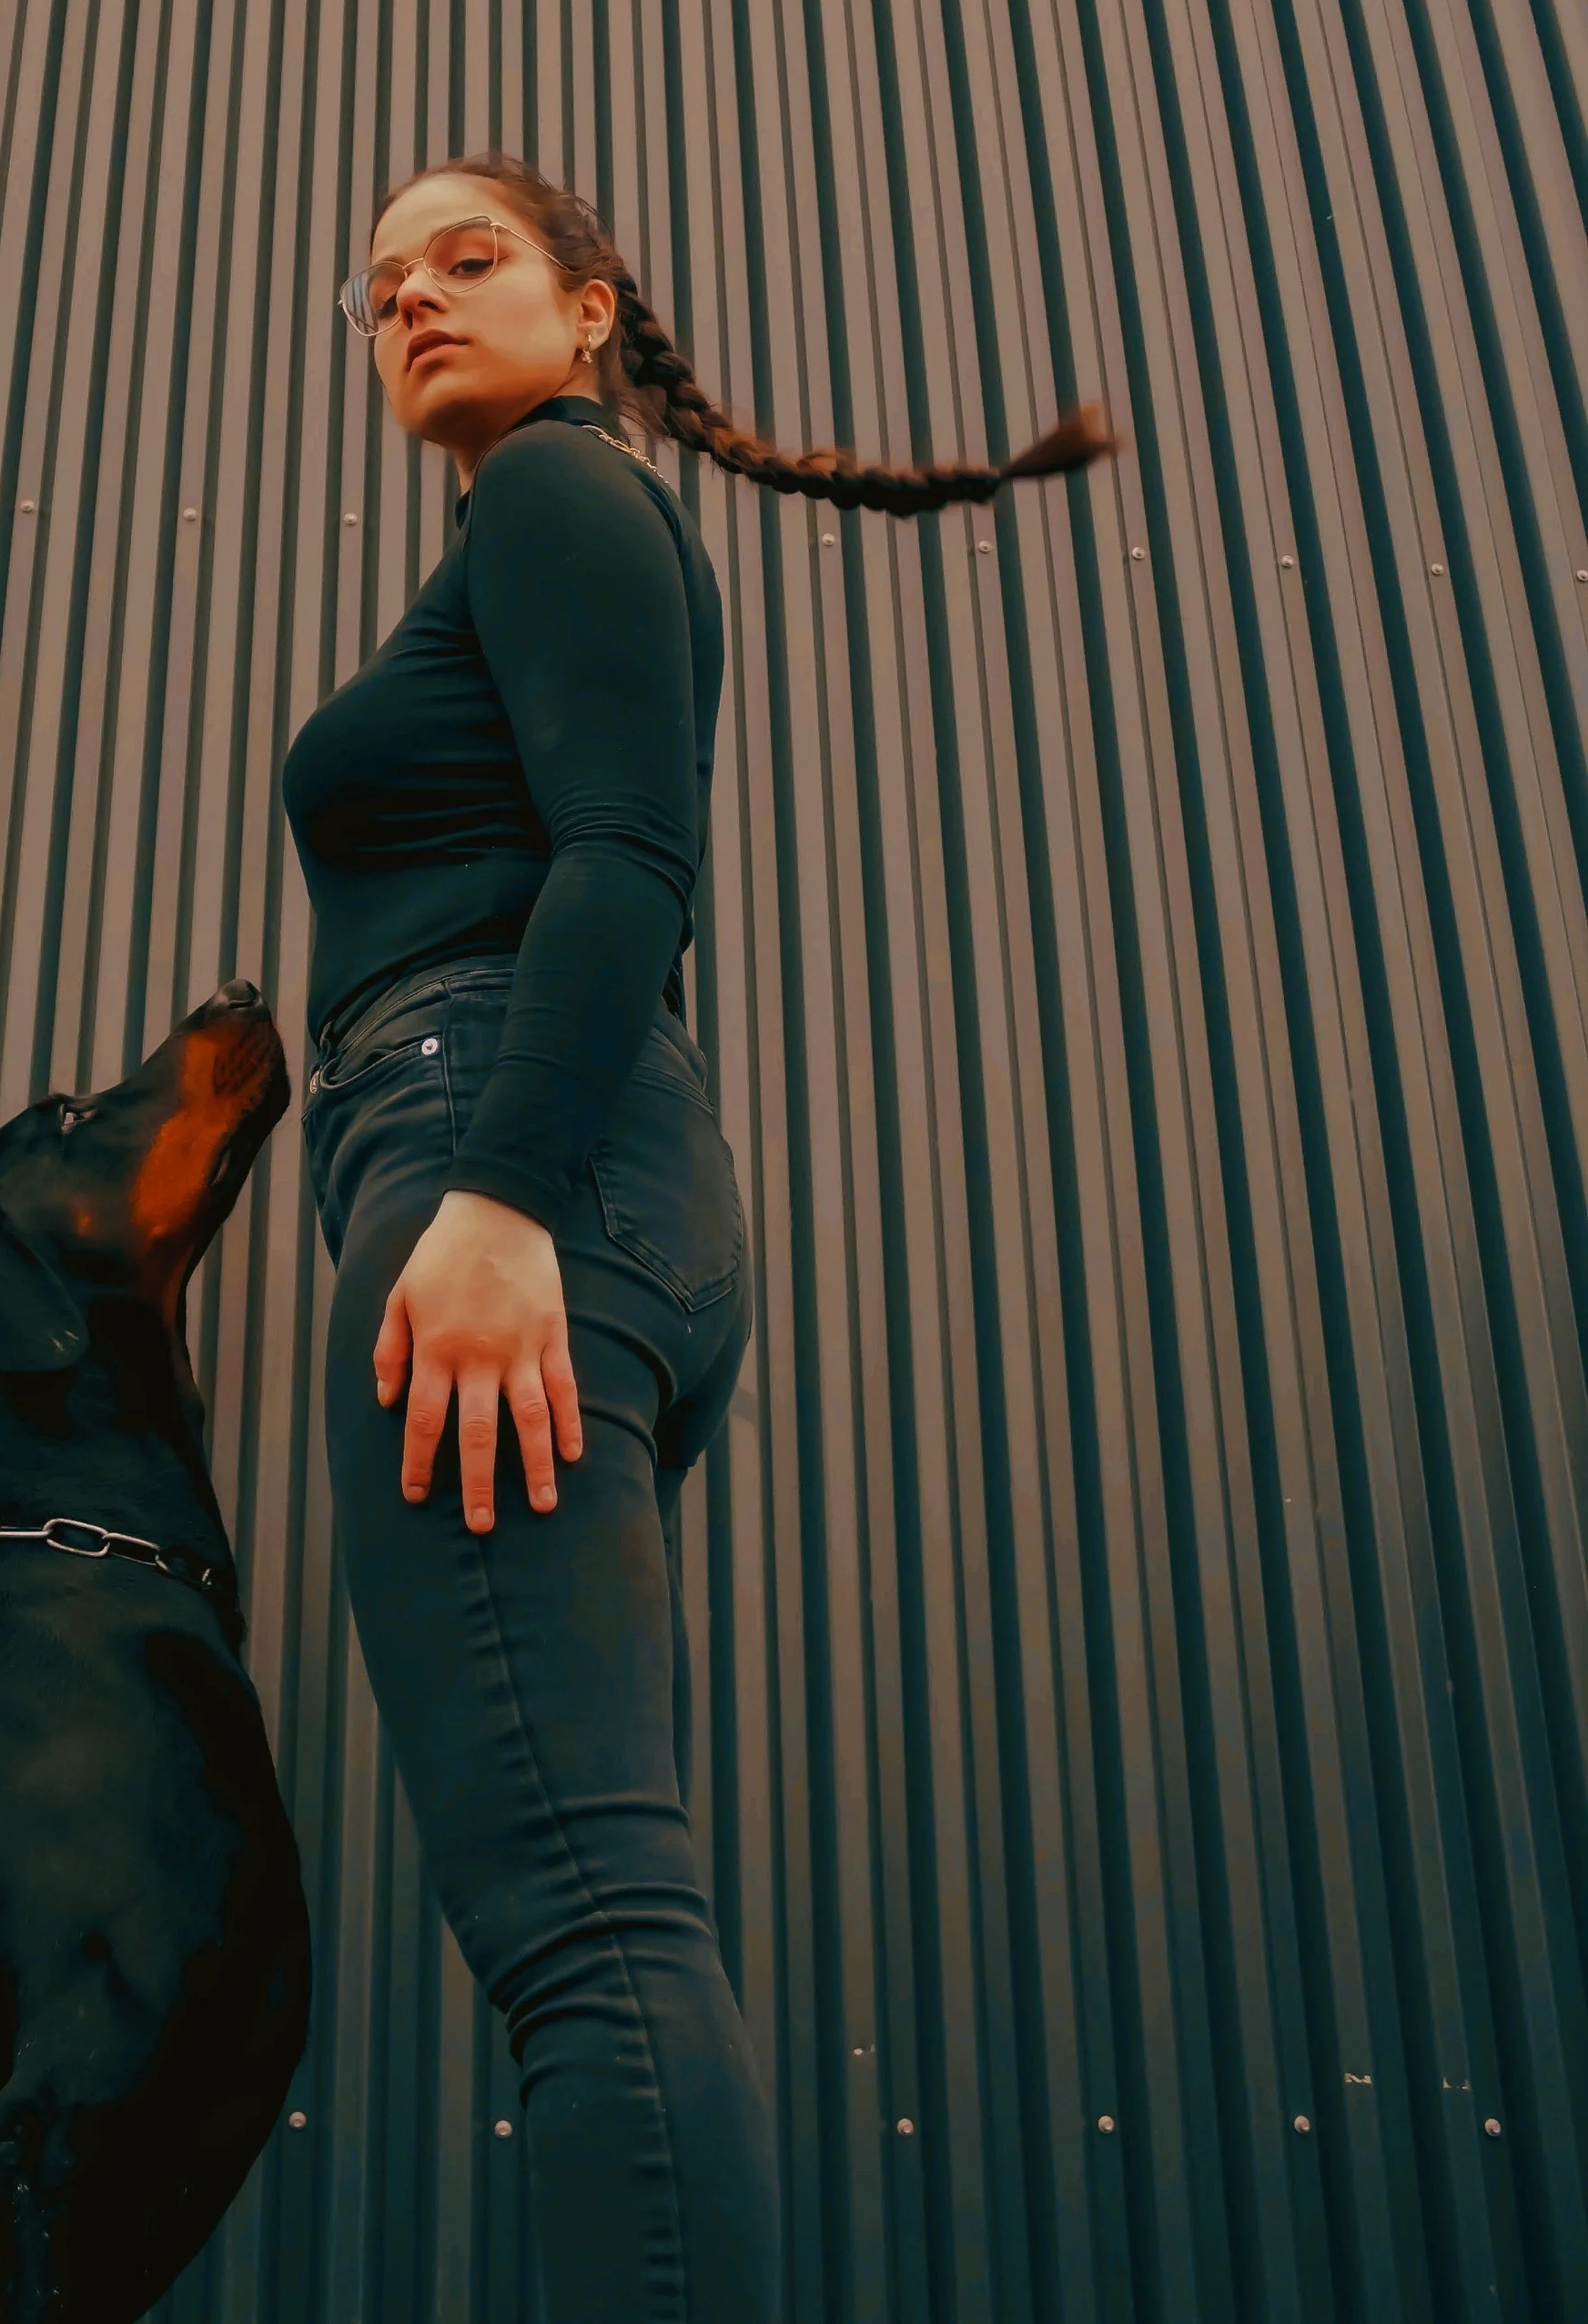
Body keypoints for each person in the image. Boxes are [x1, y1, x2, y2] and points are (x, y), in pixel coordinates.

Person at [280, 152, 1113, 2324]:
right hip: (558, 1163)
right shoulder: (536, 519)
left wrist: (490, 1196)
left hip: (507, 1152)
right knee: (594, 1899)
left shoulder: (557, 490)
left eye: (464, 258)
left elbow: (629, 853)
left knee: (582, 1918)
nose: (408, 300)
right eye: (378, 286)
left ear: (587, 304)